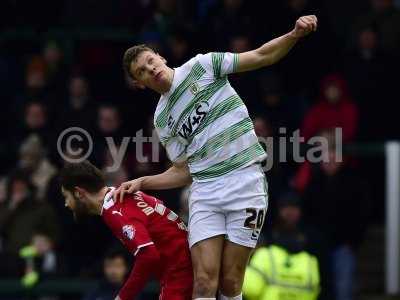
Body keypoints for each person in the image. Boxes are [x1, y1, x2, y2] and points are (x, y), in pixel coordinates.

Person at [117, 15, 317, 300]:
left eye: (151, 61)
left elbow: (262, 55)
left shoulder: (203, 65)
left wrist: (294, 34)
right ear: (139, 83)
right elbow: (184, 171)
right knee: (203, 282)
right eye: (142, 72)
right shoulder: (162, 120)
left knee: (230, 282)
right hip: (206, 192)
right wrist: (143, 181)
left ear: (160, 57)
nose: (151, 69)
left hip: (245, 182)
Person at [59, 160, 193, 300]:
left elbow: (148, 255)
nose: (66, 204)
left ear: (79, 193)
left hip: (180, 272)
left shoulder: (114, 210)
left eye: (66, 196)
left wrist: (123, 297)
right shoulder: (120, 195)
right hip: (186, 264)